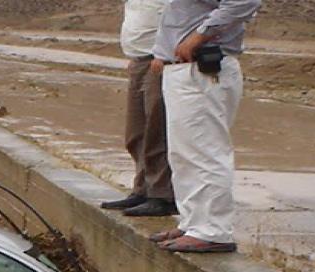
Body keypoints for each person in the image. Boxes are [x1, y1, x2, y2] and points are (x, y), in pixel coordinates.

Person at [149, 0, 261, 253]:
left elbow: (246, 2)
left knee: (204, 151)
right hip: (184, 71)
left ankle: (212, 230)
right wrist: (162, 52)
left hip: (202, 70)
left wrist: (199, 35)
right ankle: (194, 224)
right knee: (184, 154)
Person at [101, 0, 177, 217]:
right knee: (136, 133)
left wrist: (166, 55)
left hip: (160, 60)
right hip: (139, 60)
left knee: (156, 130)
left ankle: (162, 195)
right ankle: (142, 189)